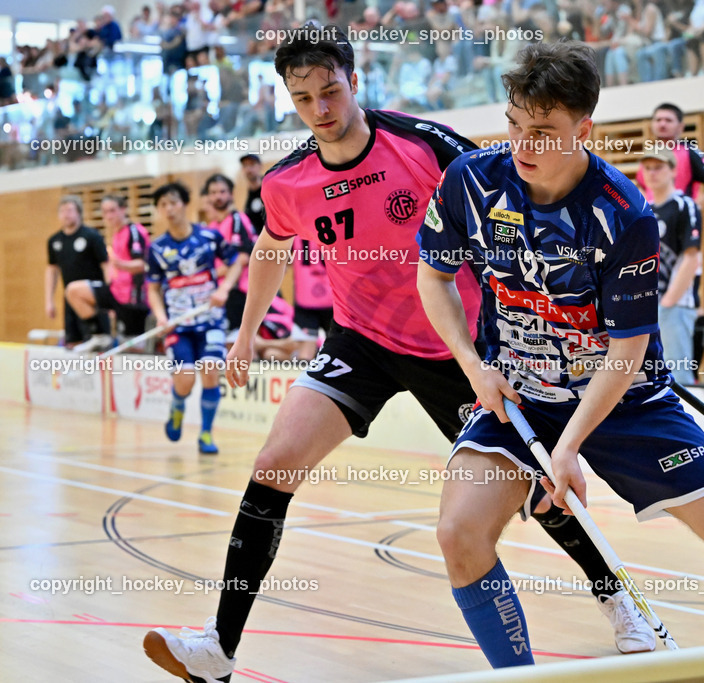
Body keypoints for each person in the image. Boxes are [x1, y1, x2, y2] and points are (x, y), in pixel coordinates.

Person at [143, 26, 654, 683]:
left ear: (354, 81)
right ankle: (218, 648)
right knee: (274, 463)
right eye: (303, 99)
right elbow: (273, 247)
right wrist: (245, 333)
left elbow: (509, 198)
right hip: (362, 339)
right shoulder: (288, 179)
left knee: (533, 480)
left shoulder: (424, 144)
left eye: (330, 91)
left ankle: (617, 596)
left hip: (461, 344)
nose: (320, 108)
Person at [416, 40, 704, 669]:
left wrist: (569, 448)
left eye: (544, 131)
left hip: (626, 400)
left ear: (585, 128)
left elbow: (627, 349)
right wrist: (475, 366)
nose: (523, 145)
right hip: (522, 396)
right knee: (458, 534)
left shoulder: (623, 212)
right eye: (515, 125)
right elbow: (433, 277)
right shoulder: (471, 181)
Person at [637, 102, 704, 374]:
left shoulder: (687, 154)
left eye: (669, 119)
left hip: (682, 243)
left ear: (680, 126)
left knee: (685, 305)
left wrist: (692, 209)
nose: (662, 124)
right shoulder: (648, 161)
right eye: (658, 119)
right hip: (658, 257)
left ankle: (692, 369)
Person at [146, 181, 242, 455]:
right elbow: (152, 288)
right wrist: (161, 317)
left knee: (211, 373)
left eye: (173, 202)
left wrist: (224, 288)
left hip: (210, 320)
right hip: (178, 324)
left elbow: (236, 261)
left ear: (185, 204)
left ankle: (206, 434)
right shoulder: (157, 248)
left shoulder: (209, 237)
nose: (169, 209)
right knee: (185, 380)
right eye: (163, 205)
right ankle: (177, 408)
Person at [640, 150, 701, 385]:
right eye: (648, 168)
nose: (653, 173)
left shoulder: (685, 205)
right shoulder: (644, 209)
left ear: (674, 170)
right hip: (647, 303)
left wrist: (667, 302)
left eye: (659, 167)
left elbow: (691, 256)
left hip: (675, 304)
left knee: (679, 374)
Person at [64, 195, 151, 351]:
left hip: (133, 299)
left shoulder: (134, 231)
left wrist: (119, 264)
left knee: (132, 348)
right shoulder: (116, 234)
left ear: (123, 209)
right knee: (74, 291)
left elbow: (143, 264)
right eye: (105, 212)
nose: (109, 216)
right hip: (115, 292)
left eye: (112, 210)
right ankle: (99, 336)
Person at [44, 196, 112, 349]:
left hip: (93, 299)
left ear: (79, 212)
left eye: (69, 210)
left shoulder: (92, 236)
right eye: (62, 211)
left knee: (99, 343)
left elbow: (106, 266)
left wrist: (110, 295)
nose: (65, 214)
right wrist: (49, 300)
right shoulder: (54, 240)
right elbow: (52, 270)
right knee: (72, 342)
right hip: (70, 299)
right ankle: (77, 372)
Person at [202, 173, 258, 341]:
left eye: (222, 191)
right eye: (213, 192)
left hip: (239, 291)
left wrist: (212, 274)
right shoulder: (211, 227)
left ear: (231, 194)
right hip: (220, 292)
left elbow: (242, 258)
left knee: (238, 341)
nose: (217, 196)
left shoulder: (237, 219)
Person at [289, 238, 332, 361]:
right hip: (333, 298)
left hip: (305, 297)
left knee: (305, 353)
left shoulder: (296, 227)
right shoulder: (338, 224)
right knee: (337, 350)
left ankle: (303, 380)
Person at [239, 153, 266, 235]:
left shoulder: (269, 189)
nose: (248, 169)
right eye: (245, 165)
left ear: (260, 166)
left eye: (252, 164)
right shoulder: (246, 194)